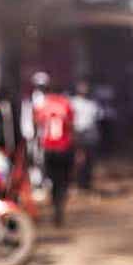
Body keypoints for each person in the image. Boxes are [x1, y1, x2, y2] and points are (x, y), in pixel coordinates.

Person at [32, 72, 75, 227]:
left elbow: (38, 127)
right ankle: (59, 209)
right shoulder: (66, 104)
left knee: (52, 180)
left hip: (49, 149)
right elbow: (71, 128)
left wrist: (38, 145)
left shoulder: (43, 106)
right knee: (63, 181)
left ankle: (56, 207)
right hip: (64, 149)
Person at [70, 81, 101, 193]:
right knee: (79, 161)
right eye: (81, 87)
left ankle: (87, 184)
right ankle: (78, 183)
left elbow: (97, 118)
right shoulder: (72, 102)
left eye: (86, 87)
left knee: (90, 160)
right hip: (77, 134)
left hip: (91, 135)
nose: (84, 90)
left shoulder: (93, 104)